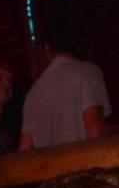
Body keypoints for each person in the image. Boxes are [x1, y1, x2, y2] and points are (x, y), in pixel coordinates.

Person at [18, 17, 112, 150]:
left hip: (48, 163)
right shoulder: (88, 73)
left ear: (47, 47)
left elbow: (24, 149)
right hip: (83, 161)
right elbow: (95, 133)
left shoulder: (33, 93)